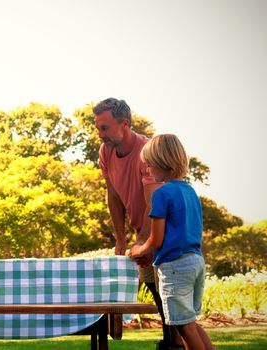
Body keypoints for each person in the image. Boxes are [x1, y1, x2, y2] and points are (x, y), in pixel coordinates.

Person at [93, 98, 183, 349]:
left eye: (105, 128)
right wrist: (121, 239)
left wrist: (145, 241)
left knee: (169, 294)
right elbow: (113, 196)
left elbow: (153, 202)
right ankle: (170, 342)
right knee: (156, 289)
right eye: (98, 127)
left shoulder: (146, 152)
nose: (100, 134)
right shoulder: (106, 152)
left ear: (125, 124)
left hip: (164, 230)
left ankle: (175, 344)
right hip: (142, 231)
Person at [129, 134, 214, 350]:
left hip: (175, 267)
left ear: (161, 162)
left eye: (148, 163)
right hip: (195, 262)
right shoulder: (190, 192)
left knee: (183, 326)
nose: (146, 168)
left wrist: (139, 249)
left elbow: (156, 239)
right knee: (189, 322)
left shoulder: (161, 193)